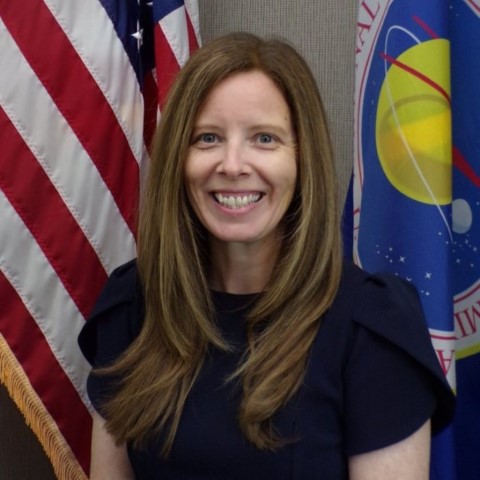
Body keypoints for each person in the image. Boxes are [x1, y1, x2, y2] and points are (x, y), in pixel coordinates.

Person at [78, 32, 455, 479]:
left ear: (302, 160)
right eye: (207, 138)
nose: (233, 164)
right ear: (178, 159)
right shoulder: (132, 306)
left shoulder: (371, 326)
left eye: (264, 138)